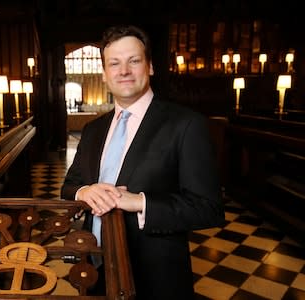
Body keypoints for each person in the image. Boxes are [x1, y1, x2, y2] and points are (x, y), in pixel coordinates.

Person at [61, 25, 225, 299]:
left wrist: (139, 202)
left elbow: (208, 208)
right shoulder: (93, 129)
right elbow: (69, 186)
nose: (123, 71)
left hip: (157, 277)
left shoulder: (186, 124)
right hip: (96, 270)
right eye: (114, 63)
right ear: (104, 74)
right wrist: (84, 192)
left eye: (133, 61)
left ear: (149, 67)